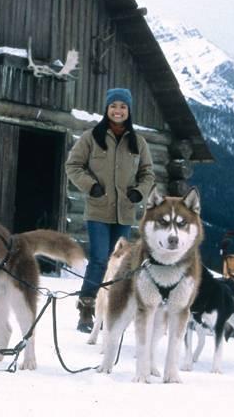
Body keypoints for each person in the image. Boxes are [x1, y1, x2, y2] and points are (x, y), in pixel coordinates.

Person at [64, 87, 155, 332]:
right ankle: (86, 309)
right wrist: (90, 186)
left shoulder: (138, 142)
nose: (118, 110)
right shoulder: (91, 138)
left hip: (125, 212)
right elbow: (73, 166)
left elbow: (148, 173)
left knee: (121, 264)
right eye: (114, 106)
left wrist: (139, 191)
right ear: (107, 109)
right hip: (98, 211)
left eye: (123, 107)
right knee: (99, 259)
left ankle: (114, 309)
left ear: (129, 110)